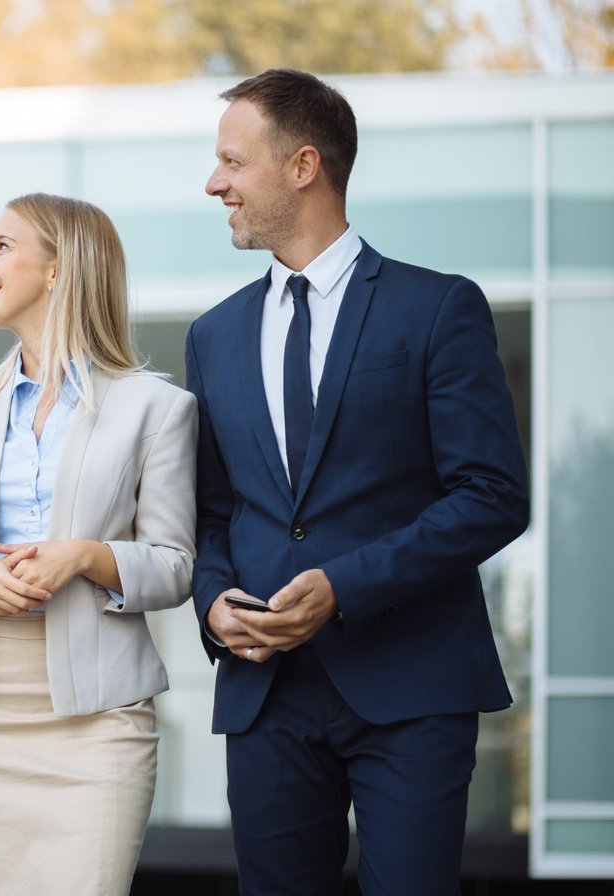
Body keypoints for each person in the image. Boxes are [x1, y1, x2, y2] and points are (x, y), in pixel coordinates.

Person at [185, 68, 530, 895]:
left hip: (411, 685)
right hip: (264, 696)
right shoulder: (214, 336)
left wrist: (342, 586)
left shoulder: (438, 308)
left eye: (233, 162)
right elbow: (211, 515)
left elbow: (491, 494)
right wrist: (211, 601)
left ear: (303, 166)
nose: (213, 183)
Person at [0, 193, 197, 895]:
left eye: (2, 247)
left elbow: (176, 567)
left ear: (60, 269)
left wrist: (84, 557)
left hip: (100, 719)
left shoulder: (158, 409)